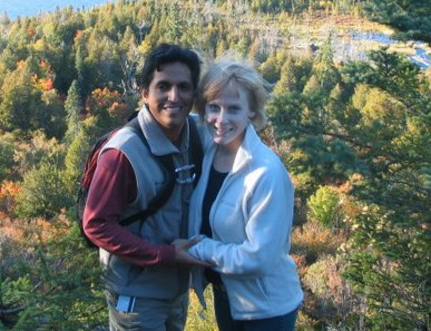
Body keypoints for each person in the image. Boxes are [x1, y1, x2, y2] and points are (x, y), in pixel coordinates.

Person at [82, 43, 209, 331]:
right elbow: (96, 224)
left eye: (184, 87)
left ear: (194, 93)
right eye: (163, 86)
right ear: (144, 92)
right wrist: (166, 255)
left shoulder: (197, 134)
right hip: (136, 296)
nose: (174, 97)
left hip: (175, 290)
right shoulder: (123, 153)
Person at [184, 59, 303, 330]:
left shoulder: (265, 173)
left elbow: (258, 258)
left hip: (267, 308)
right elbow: (173, 119)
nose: (221, 120)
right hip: (228, 298)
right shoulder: (210, 148)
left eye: (234, 109)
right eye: (214, 107)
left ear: (251, 111)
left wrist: (199, 248)